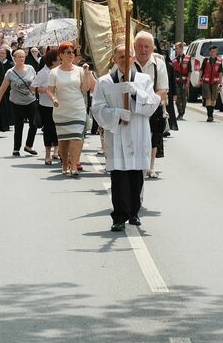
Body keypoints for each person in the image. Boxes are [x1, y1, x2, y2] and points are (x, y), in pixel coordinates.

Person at [92, 44, 162, 232]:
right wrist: (116, 114)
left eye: (128, 56)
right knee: (119, 177)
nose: (125, 60)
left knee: (135, 175)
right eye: (120, 57)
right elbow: (97, 108)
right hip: (117, 134)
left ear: (133, 58)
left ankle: (134, 212)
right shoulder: (105, 82)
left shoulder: (143, 80)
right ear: (115, 60)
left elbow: (152, 103)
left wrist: (135, 92)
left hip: (138, 132)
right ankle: (120, 216)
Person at [47, 42, 95, 176]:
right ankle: (64, 164)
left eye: (73, 52)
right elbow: (49, 90)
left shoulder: (79, 70)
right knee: (63, 140)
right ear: (61, 55)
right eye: (68, 52)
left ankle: (74, 164)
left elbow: (85, 89)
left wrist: (86, 73)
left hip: (77, 109)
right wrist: (54, 99)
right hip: (61, 110)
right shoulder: (54, 72)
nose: (71, 54)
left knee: (77, 138)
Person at [133, 31, 169, 177]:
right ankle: (134, 165)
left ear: (152, 47)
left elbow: (163, 90)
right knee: (134, 137)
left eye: (147, 47)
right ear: (134, 47)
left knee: (153, 137)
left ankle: (150, 166)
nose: (143, 50)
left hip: (153, 106)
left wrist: (148, 102)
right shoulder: (128, 63)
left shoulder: (159, 64)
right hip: (132, 107)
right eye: (140, 46)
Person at [0, 49, 38, 157]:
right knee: (19, 126)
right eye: (19, 57)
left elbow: (36, 83)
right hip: (16, 102)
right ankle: (16, 148)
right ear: (14, 58)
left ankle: (28, 145)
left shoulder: (31, 69)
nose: (21, 59)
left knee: (34, 124)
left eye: (23, 57)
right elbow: (2, 89)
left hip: (30, 100)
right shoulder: (10, 72)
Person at [31, 49, 60, 166]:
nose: (61, 61)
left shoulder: (61, 71)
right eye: (59, 60)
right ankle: (47, 154)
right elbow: (33, 88)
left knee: (59, 129)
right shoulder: (43, 73)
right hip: (46, 106)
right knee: (49, 130)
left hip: (60, 105)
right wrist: (47, 90)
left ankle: (57, 151)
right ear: (53, 62)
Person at [200, 45, 223, 123]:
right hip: (206, 82)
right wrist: (200, 79)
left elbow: (220, 73)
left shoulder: (219, 61)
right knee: (208, 98)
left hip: (215, 82)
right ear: (210, 52)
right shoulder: (206, 60)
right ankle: (209, 115)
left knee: (213, 99)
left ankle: (211, 114)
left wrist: (220, 83)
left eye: (214, 51)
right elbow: (201, 70)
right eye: (211, 52)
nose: (213, 53)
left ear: (216, 52)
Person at [171, 42, 190, 120]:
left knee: (184, 98)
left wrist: (188, 83)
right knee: (177, 97)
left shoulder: (187, 58)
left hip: (185, 81)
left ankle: (183, 112)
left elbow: (190, 71)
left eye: (177, 48)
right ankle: (180, 112)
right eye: (175, 49)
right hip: (177, 81)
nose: (176, 50)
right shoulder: (174, 60)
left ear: (181, 48)